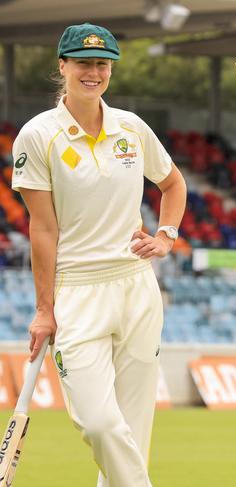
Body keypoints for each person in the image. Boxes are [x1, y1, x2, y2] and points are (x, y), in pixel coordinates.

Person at [11, 23, 186, 487]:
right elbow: (42, 229)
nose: (93, 72)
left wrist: (166, 235)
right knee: (100, 425)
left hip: (136, 287)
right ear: (62, 66)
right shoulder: (37, 135)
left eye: (102, 64)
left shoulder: (131, 127)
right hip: (77, 293)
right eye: (84, 63)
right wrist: (44, 310)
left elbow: (172, 183)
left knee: (133, 429)